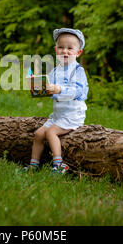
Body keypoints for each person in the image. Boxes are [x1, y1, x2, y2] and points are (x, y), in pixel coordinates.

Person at [24, 28, 88, 174]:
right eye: (61, 47)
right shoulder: (55, 71)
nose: (65, 51)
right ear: (55, 50)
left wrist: (59, 89)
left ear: (78, 53)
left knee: (51, 132)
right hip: (58, 115)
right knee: (39, 134)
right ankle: (34, 165)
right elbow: (49, 88)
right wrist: (39, 88)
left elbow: (78, 91)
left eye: (70, 48)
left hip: (73, 115)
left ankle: (59, 164)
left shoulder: (78, 71)